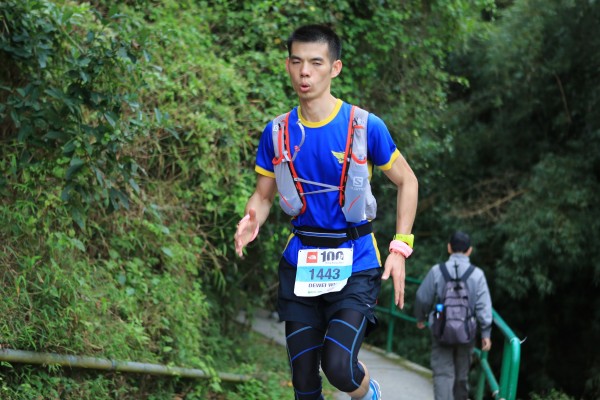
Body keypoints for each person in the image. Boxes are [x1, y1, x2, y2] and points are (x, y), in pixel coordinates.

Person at [234, 24, 418, 400]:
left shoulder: (364, 126)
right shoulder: (277, 132)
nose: (305, 72)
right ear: (288, 65)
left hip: (356, 261)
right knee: (304, 383)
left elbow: (408, 181)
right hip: (301, 263)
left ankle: (368, 393)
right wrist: (251, 218)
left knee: (338, 367)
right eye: (297, 62)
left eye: (316, 63)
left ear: (335, 68)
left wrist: (400, 247)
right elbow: (263, 196)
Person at [414, 231, 493, 400]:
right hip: (467, 332)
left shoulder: (437, 270)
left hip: (441, 329)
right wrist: (486, 333)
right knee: (461, 375)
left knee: (443, 373)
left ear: (449, 248)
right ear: (470, 250)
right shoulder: (477, 274)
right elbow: (484, 306)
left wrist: (421, 318)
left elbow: (422, 297)